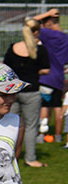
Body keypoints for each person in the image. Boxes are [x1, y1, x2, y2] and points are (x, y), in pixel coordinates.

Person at [3, 18, 50, 167]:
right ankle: (30, 158)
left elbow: (6, 68)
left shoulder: (13, 47)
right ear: (36, 32)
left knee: (10, 125)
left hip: (13, 91)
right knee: (30, 126)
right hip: (31, 91)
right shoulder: (39, 50)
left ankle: (7, 158)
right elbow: (46, 69)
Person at [32, 8, 68, 145]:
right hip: (59, 77)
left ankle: (42, 134)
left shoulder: (48, 35)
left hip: (46, 77)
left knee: (44, 107)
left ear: (49, 23)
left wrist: (48, 13)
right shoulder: (66, 39)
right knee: (57, 106)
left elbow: (31, 23)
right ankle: (58, 135)